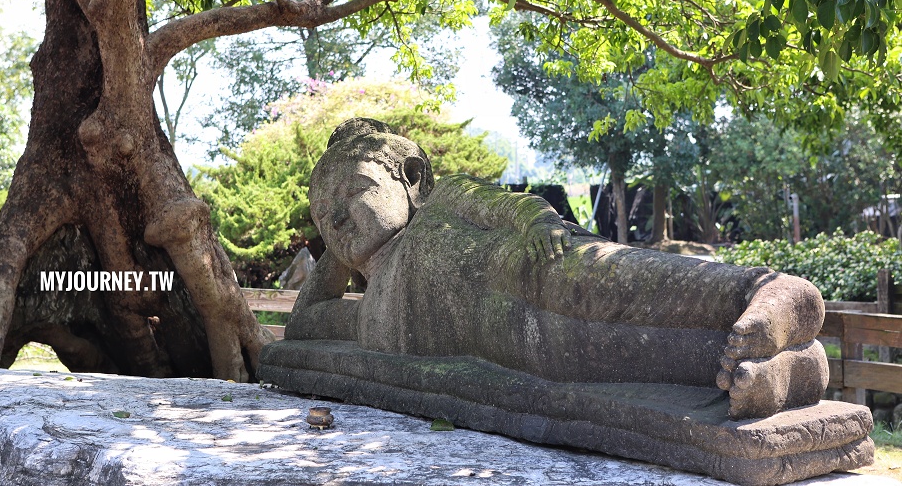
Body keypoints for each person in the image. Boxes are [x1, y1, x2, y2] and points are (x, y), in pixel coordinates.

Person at [286, 118, 828, 420]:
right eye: (322, 209)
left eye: (355, 190)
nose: (335, 213)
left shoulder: (441, 202)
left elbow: (502, 205)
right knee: (625, 356)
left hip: (531, 267)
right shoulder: (367, 320)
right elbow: (303, 326)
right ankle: (788, 373)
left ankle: (765, 289)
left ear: (411, 178)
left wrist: (540, 224)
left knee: (622, 286)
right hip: (520, 344)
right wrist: (341, 246)